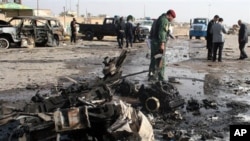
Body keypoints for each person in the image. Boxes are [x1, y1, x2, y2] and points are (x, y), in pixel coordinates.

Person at [148, 9, 176, 82]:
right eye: (172, 18)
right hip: (158, 43)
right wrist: (162, 44)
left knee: (153, 60)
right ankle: (161, 79)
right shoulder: (164, 21)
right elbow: (162, 32)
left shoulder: (159, 19)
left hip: (154, 42)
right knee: (161, 61)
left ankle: (151, 76)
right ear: (169, 15)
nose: (172, 20)